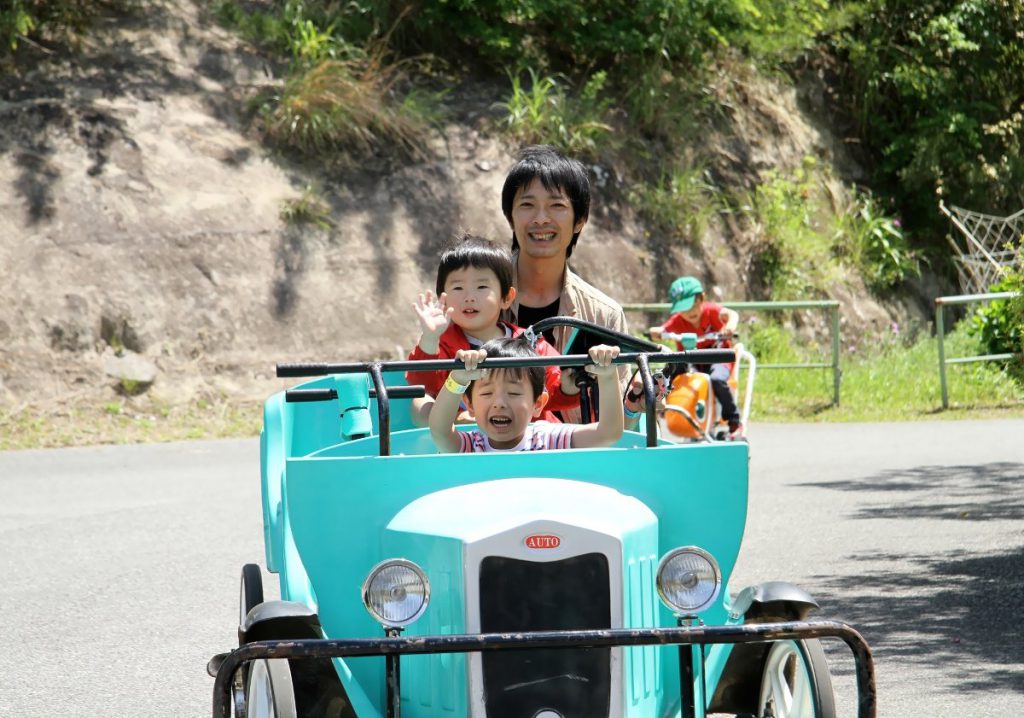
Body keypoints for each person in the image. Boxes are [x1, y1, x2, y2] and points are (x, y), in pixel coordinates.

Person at [499, 145, 631, 423]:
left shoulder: (603, 315)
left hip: (573, 463)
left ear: (579, 221)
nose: (541, 218)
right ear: (510, 217)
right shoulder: (475, 298)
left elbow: (619, 422)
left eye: (557, 205)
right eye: (527, 204)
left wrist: (635, 404)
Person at [406, 234, 580, 426]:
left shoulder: (529, 342)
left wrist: (568, 388)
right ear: (443, 298)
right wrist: (430, 339)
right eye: (458, 288)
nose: (469, 297)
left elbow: (550, 396)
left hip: (527, 436)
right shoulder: (442, 342)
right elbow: (423, 383)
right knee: (420, 402)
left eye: (481, 286)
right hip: (464, 433)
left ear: (506, 298)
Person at [429, 335, 624, 452]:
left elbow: (608, 433)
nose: (499, 403)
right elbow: (440, 430)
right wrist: (458, 379)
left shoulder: (548, 439)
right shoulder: (471, 446)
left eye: (513, 393)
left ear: (538, 404)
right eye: (487, 393)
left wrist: (607, 376)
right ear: (469, 404)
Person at [648, 276, 742, 439]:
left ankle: (733, 419)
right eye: (683, 309)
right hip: (692, 359)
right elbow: (662, 330)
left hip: (717, 357)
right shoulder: (678, 321)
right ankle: (658, 407)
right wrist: (656, 332)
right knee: (671, 368)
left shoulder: (712, 312)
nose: (688, 312)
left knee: (717, 380)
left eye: (691, 305)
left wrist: (730, 326)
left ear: (701, 299)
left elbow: (731, 314)